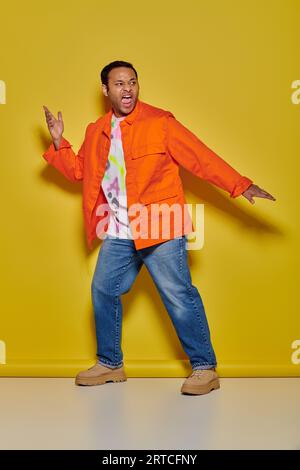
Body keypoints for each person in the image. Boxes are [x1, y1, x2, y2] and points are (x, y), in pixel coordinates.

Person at [42, 60, 276, 395]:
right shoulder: (97, 130)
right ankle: (110, 363)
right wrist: (59, 142)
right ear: (105, 90)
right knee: (103, 290)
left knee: (178, 295)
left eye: (133, 82)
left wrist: (240, 185)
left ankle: (204, 368)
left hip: (160, 224)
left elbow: (200, 157)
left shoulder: (160, 122)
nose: (128, 89)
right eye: (120, 84)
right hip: (120, 229)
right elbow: (81, 171)